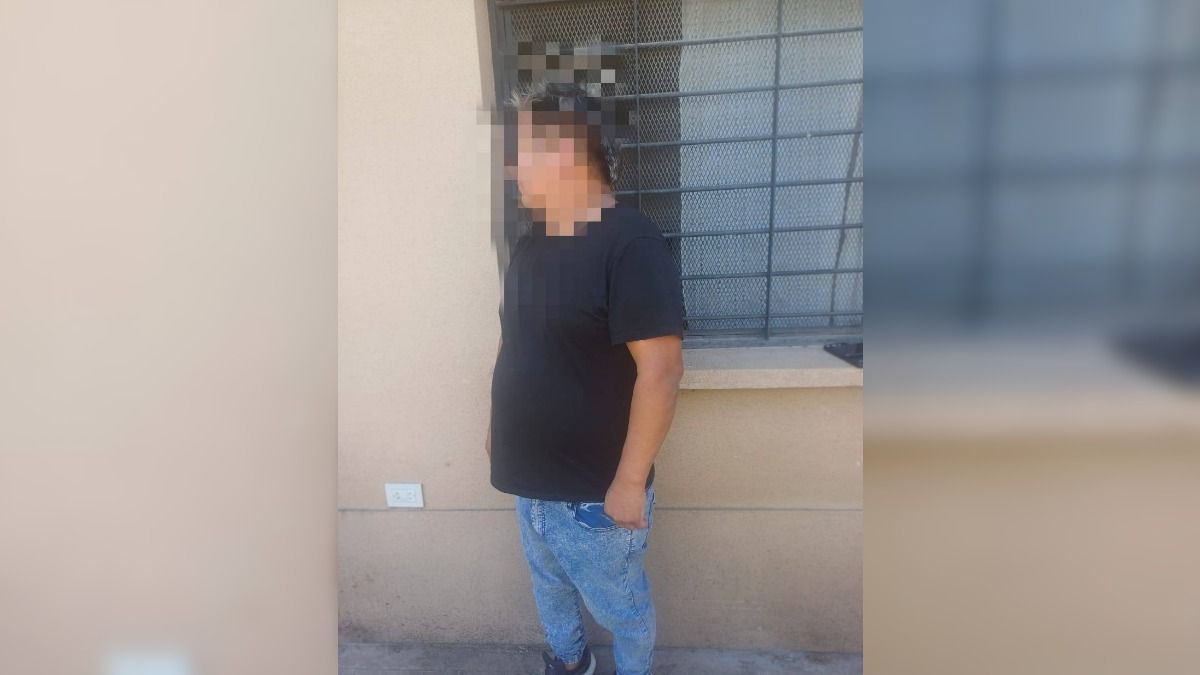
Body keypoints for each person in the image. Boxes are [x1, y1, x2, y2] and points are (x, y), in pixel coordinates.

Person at [486, 81, 685, 675]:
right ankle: (571, 663)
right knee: (549, 587)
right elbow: (511, 342)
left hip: (594, 494)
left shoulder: (630, 242)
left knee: (621, 606)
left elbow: (661, 370)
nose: (514, 166)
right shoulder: (530, 247)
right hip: (531, 481)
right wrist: (495, 426)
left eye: (525, 149)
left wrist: (629, 482)